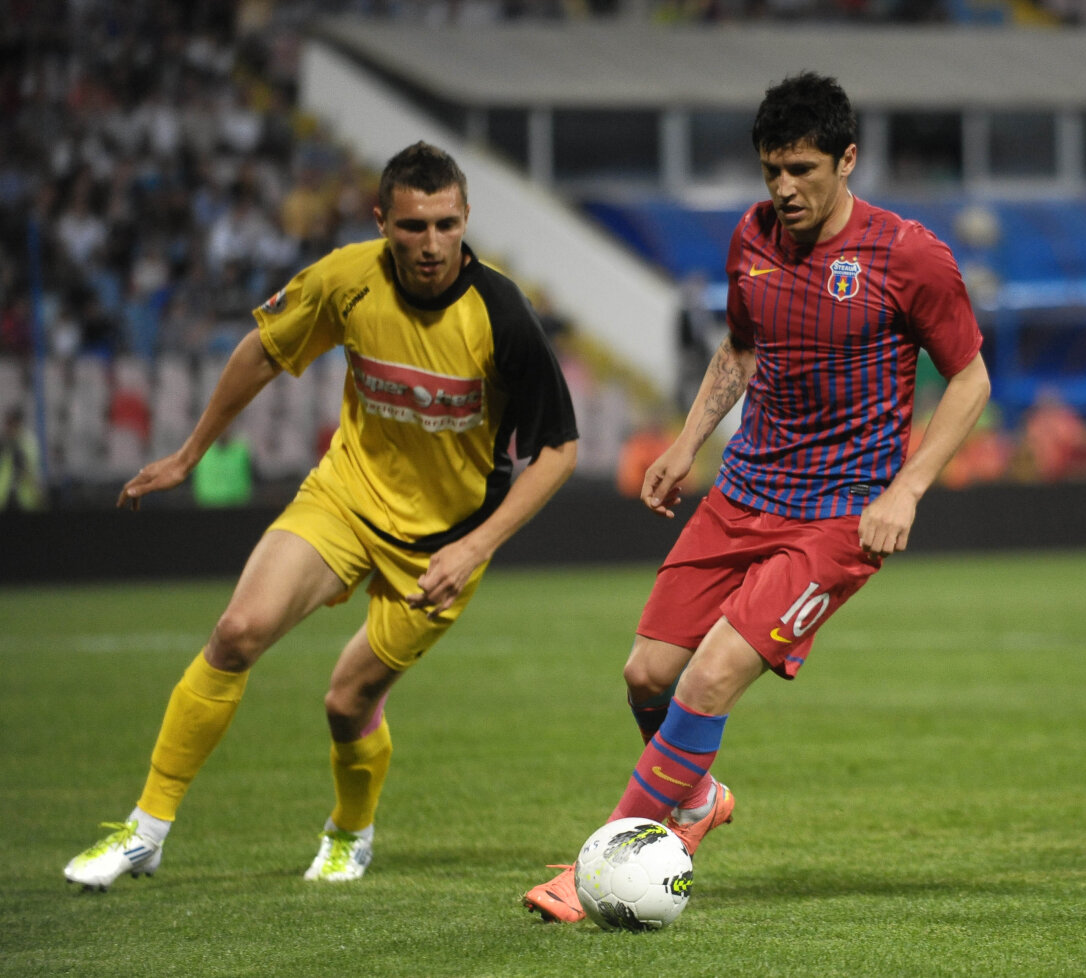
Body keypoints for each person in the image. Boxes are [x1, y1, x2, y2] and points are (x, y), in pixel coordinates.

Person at [522, 72, 989, 922]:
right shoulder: (753, 236)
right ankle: (697, 804)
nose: (784, 188)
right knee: (647, 675)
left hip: (842, 511)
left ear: (848, 160)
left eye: (803, 169)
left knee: (707, 680)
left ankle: (602, 865)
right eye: (771, 169)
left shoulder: (907, 256)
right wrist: (685, 442)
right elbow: (741, 349)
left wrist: (909, 490)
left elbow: (970, 378)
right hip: (743, 491)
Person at [64, 141, 579, 890]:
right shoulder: (346, 279)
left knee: (347, 702)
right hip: (345, 495)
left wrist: (475, 549)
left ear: (465, 218)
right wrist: (187, 455)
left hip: (440, 543)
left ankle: (350, 832)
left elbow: (560, 450)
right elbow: (262, 351)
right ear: (382, 222)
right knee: (237, 633)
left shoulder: (503, 317)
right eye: (411, 226)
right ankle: (145, 831)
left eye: (445, 225)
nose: (431, 244)